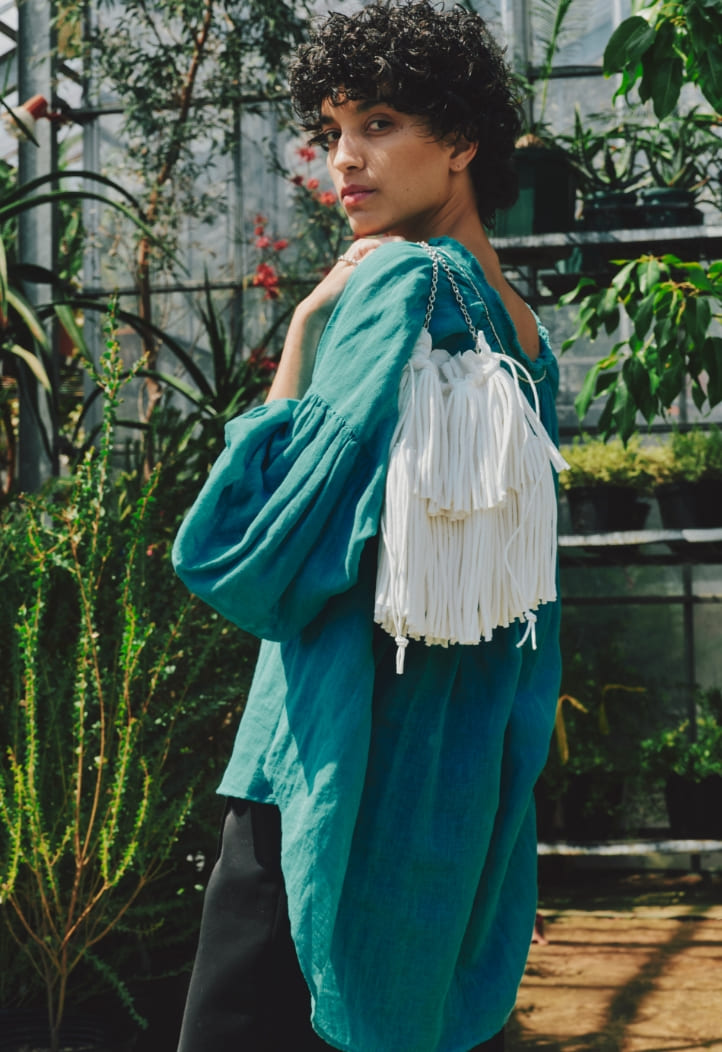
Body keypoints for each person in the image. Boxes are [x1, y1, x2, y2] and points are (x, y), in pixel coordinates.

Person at [171, 3, 563, 1050]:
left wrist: (304, 329)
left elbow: (248, 556)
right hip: (456, 775)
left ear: (462, 140)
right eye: (333, 130)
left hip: (322, 761)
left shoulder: (392, 284)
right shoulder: (522, 331)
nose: (343, 159)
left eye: (379, 123)